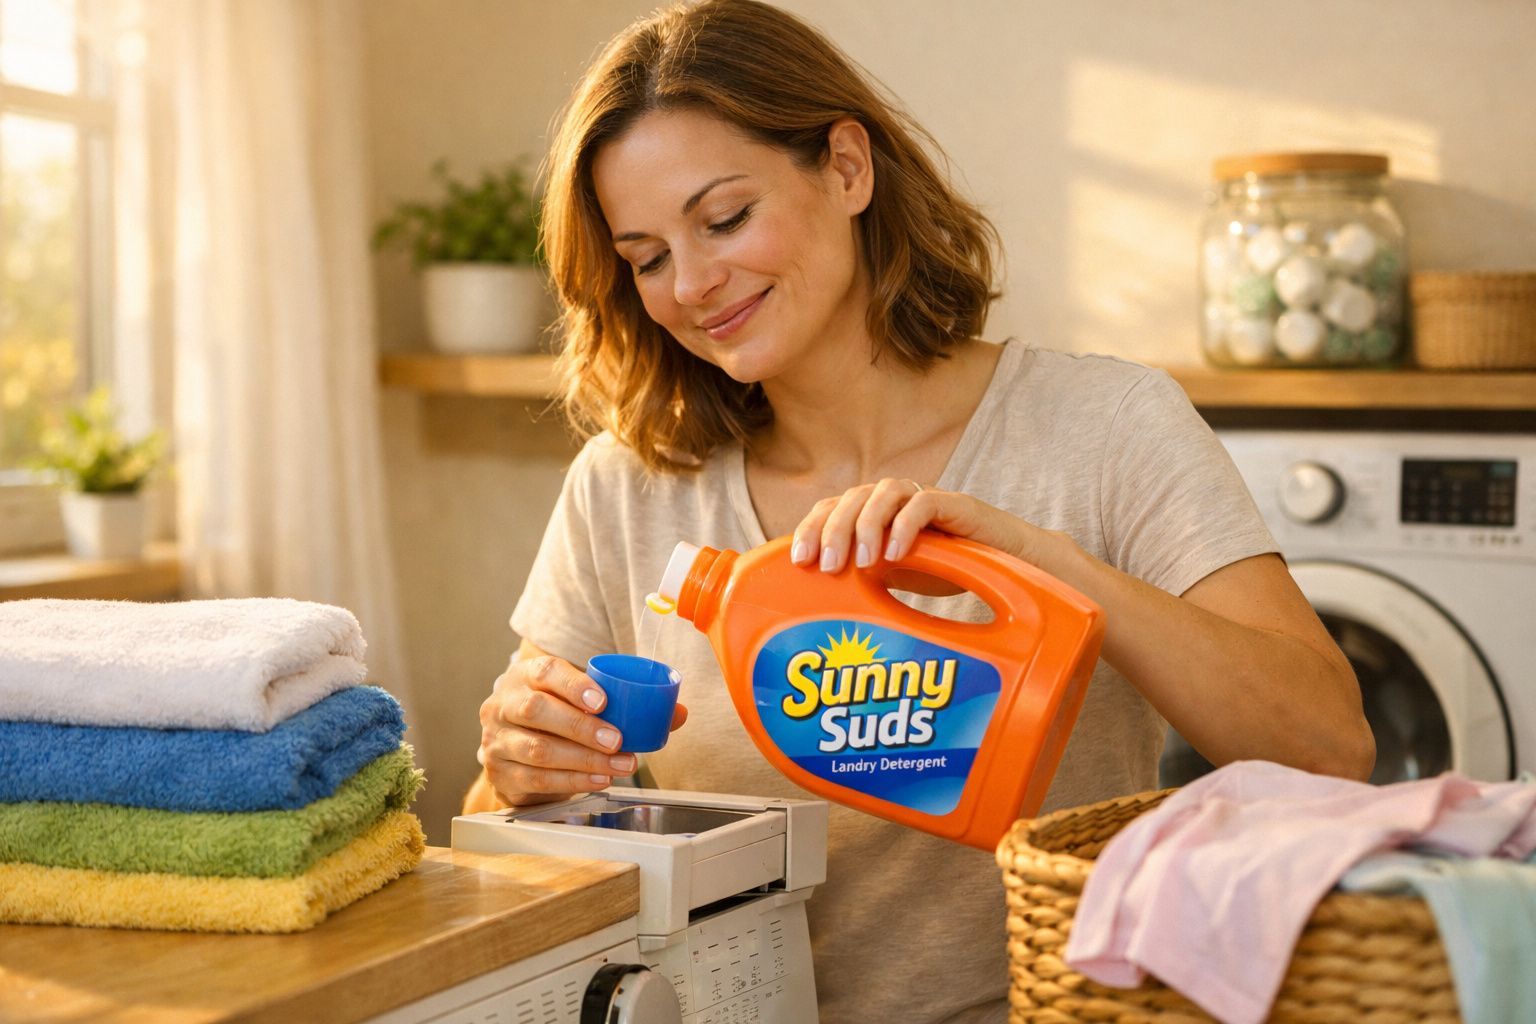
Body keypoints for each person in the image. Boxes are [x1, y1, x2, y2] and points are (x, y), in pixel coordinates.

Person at [463, 2, 1374, 1020]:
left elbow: (1330, 746)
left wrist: (1043, 561)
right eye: (647, 257)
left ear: (848, 168)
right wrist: (519, 772)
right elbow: (504, 835)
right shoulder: (627, 485)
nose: (694, 283)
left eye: (723, 219)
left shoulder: (1103, 424)